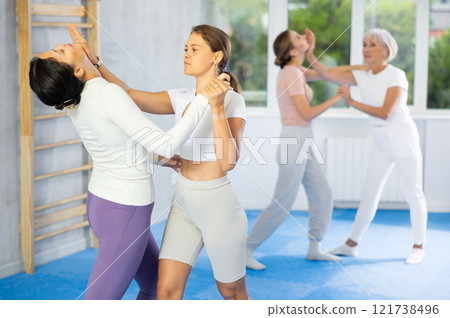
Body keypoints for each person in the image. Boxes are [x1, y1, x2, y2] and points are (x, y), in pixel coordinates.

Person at [28, 24, 231, 300]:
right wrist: (202, 100)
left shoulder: (76, 98)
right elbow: (166, 142)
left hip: (105, 205)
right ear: (76, 71)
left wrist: (158, 159)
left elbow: (114, 143)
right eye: (59, 52)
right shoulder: (105, 93)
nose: (62, 45)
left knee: (156, 287)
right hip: (125, 212)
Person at [305, 28, 428, 264]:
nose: (366, 49)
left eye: (372, 45)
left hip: (402, 136)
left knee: (414, 192)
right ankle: (352, 244)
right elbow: (328, 73)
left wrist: (352, 102)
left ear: (386, 50)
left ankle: (418, 246)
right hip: (379, 138)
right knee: (369, 193)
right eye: (364, 44)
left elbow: (385, 112)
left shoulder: (396, 75)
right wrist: (310, 53)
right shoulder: (362, 74)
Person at [246, 29, 361, 270]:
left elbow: (324, 75)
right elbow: (306, 113)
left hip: (303, 139)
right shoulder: (291, 73)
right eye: (298, 37)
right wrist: (337, 98)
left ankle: (314, 246)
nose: (303, 36)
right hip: (294, 139)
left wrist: (310, 51)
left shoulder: (296, 71)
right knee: (283, 202)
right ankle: (247, 249)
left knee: (322, 194)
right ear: (291, 51)